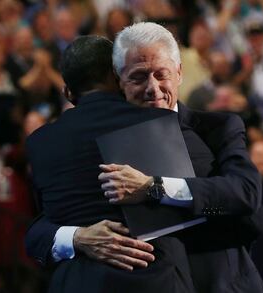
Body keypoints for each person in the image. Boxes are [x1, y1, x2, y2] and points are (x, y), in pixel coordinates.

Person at [26, 22, 263, 293]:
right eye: (139, 77)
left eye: (161, 74)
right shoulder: (102, 140)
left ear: (179, 72)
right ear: (119, 82)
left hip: (217, 283)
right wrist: (78, 236)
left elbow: (251, 212)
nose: (153, 88)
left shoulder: (215, 129)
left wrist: (156, 188)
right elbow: (41, 228)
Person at [26, 35, 196, 293]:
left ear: (68, 93)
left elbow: (43, 223)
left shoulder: (40, 142)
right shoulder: (159, 122)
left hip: (78, 283)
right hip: (155, 278)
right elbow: (207, 208)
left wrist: (76, 237)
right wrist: (155, 188)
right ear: (118, 78)